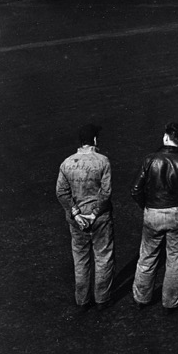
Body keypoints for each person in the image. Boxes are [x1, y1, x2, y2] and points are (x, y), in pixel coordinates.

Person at [131, 122, 178, 310]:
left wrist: (146, 207)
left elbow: (136, 190)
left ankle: (141, 298)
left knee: (147, 257)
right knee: (175, 260)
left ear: (165, 137)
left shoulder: (150, 159)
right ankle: (170, 302)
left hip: (153, 212)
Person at [55, 123, 114, 310]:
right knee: (103, 257)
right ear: (94, 140)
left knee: (80, 260)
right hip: (100, 219)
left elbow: (61, 192)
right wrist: (94, 213)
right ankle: (102, 299)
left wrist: (75, 212)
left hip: (77, 221)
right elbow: (106, 193)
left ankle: (82, 300)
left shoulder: (66, 163)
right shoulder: (103, 161)